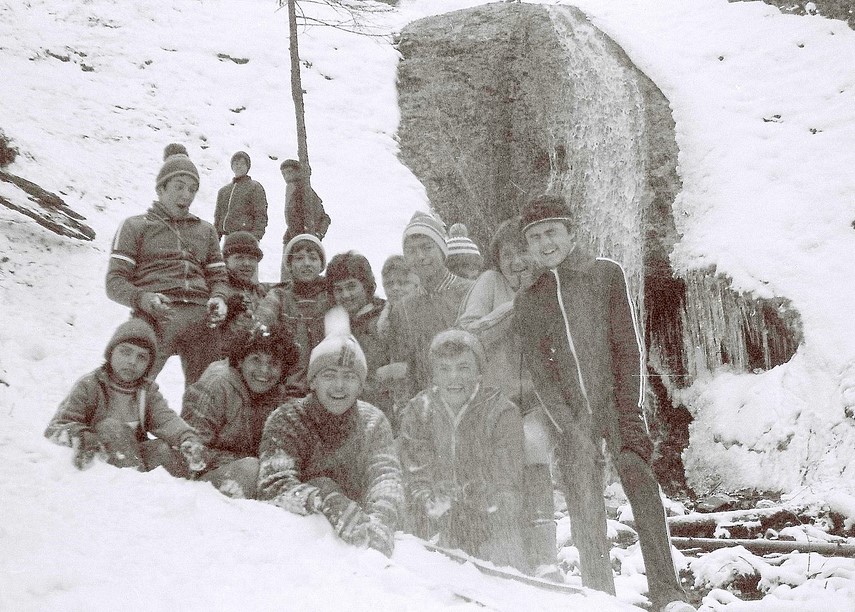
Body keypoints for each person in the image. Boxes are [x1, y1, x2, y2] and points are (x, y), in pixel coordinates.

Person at [514, 194, 693, 612]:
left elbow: (627, 346)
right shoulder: (530, 298)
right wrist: (566, 424)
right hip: (572, 415)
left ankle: (668, 592)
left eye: (552, 232)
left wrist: (630, 412)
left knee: (638, 477)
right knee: (583, 495)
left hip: (616, 404)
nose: (545, 243)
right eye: (535, 237)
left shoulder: (605, 275)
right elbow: (541, 371)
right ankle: (599, 596)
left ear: (572, 233)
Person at [457, 216, 559, 577]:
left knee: (531, 444)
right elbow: (466, 337)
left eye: (522, 252)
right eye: (506, 253)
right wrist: (513, 309)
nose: (516, 261)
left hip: (537, 400)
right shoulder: (489, 282)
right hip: (492, 400)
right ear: (496, 259)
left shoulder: (550, 285)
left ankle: (545, 555)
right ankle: (507, 549)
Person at [257, 307, 403, 557]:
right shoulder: (287, 418)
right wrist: (324, 499)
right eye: (329, 375)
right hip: (300, 537)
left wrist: (382, 518)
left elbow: (386, 476)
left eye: (349, 376)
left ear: (360, 385)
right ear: (312, 381)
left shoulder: (373, 421)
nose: (339, 386)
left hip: (360, 526)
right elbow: (273, 484)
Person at [399, 330, 528, 572]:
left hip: (488, 523)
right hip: (435, 521)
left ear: (479, 372)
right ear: (433, 374)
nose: (453, 378)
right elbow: (415, 477)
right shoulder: (419, 411)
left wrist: (470, 494)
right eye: (444, 369)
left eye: (463, 367)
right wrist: (431, 500)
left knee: (501, 571)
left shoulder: (501, 413)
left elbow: (507, 486)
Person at [106, 153, 228, 387]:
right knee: (129, 384)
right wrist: (144, 299)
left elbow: (218, 277)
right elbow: (115, 282)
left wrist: (219, 298)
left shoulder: (206, 231)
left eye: (192, 189)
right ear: (161, 189)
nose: (186, 195)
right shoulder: (135, 226)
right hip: (157, 315)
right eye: (179, 186)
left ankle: (196, 424)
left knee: (209, 390)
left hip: (200, 316)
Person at [44, 319, 206, 477]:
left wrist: (187, 437)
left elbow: (165, 420)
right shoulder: (90, 386)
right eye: (125, 352)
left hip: (135, 457)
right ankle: (132, 487)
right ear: (111, 352)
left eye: (141, 357)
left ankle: (178, 493)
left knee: (162, 449)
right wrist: (81, 434)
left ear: (149, 364)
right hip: (99, 464)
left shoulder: (146, 391)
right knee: (111, 427)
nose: (132, 362)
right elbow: (56, 427)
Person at [182, 327, 298, 499]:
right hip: (198, 481)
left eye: (273, 363)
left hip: (243, 475)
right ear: (240, 361)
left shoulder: (277, 395)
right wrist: (242, 461)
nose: (264, 371)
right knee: (251, 469)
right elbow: (191, 451)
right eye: (256, 360)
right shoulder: (216, 386)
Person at [382, 211, 473, 401]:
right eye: (412, 251)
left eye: (427, 247)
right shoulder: (402, 309)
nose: (420, 256)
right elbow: (405, 366)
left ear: (441, 250)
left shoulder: (470, 292)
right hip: (428, 404)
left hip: (471, 396)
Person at [256, 233, 330, 395]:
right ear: (289, 265)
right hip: (288, 386)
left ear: (321, 264)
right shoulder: (280, 295)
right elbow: (263, 318)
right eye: (299, 258)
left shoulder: (331, 296)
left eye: (313, 258)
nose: (306, 264)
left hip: (327, 384)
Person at [325, 251, 387, 410]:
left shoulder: (383, 320)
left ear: (366, 286)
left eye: (351, 286)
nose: (345, 295)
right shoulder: (337, 323)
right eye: (338, 289)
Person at [214, 151, 268, 241]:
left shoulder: (254, 187)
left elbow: (260, 215)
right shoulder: (224, 191)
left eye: (242, 163)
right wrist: (215, 240)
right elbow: (218, 217)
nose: (238, 166)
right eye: (236, 163)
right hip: (227, 237)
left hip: (246, 237)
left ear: (247, 167)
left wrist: (255, 237)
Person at [280, 159, 330, 245]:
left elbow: (324, 217)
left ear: (298, 172)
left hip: (301, 239)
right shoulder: (291, 188)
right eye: (283, 174)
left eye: (289, 172)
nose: (286, 176)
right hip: (294, 238)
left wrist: (316, 234)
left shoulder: (304, 190)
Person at [376, 255, 420, 337]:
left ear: (418, 285)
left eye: (403, 283)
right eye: (389, 284)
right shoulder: (379, 323)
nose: (395, 288)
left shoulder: (430, 314)